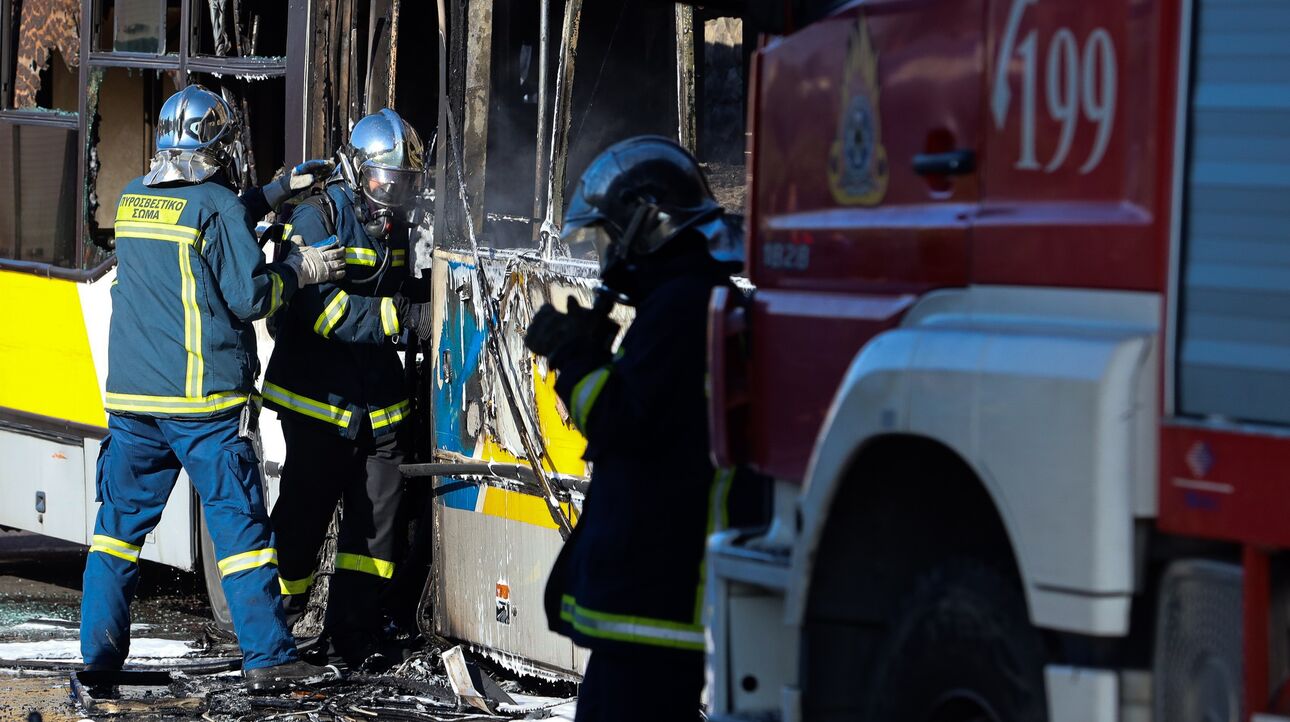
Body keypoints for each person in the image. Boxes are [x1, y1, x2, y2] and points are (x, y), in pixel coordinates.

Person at [81, 85, 347, 693]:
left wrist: (274, 195)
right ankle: (269, 658)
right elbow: (250, 296)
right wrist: (301, 269)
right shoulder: (218, 204)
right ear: (216, 147)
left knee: (116, 532)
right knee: (241, 534)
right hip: (202, 407)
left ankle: (98, 660)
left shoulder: (132, 200)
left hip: (133, 403)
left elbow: (203, 217)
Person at [523, 136, 744, 722]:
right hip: (652, 595)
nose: (606, 257)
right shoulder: (685, 300)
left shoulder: (681, 307)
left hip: (654, 597)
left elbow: (620, 420)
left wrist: (573, 359)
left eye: (609, 238)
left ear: (647, 225)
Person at [264, 108, 432, 670]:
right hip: (318, 401)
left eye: (406, 183)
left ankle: (353, 632)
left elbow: (403, 282)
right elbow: (325, 312)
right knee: (302, 521)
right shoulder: (316, 218)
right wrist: (405, 316)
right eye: (388, 180)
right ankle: (275, 632)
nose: (395, 193)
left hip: (376, 403)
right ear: (359, 169)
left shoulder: (396, 222)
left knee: (377, 524)